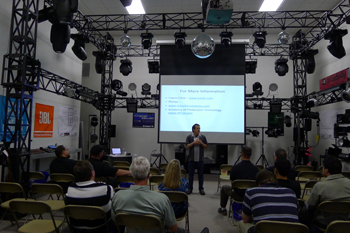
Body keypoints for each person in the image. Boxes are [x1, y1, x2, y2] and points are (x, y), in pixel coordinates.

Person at [111, 156, 185, 233]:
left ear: (132, 174)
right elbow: (173, 228)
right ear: (149, 175)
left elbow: (116, 221)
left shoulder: (117, 197)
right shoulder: (162, 199)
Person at [65, 160, 116, 232]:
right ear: (92, 173)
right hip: (102, 228)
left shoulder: (70, 189)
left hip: (77, 228)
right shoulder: (106, 188)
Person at [303, 156, 350, 228]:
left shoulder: (319, 186)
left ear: (326, 170)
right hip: (344, 224)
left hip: (323, 224)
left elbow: (310, 206)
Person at [218, 146, 259, 216]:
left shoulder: (235, 168)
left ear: (241, 154)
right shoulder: (256, 169)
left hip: (237, 195)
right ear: (251, 155)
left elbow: (232, 184)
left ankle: (223, 209)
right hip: (250, 196)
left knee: (224, 188)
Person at [185, 123, 208, 195]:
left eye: (199, 128)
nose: (198, 130)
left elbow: (206, 146)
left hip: (200, 160)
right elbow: (187, 146)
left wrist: (201, 142)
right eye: (197, 128)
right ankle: (190, 188)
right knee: (191, 175)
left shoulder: (202, 137)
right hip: (191, 160)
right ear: (193, 130)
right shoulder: (189, 137)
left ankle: (201, 189)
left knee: (201, 175)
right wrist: (194, 143)